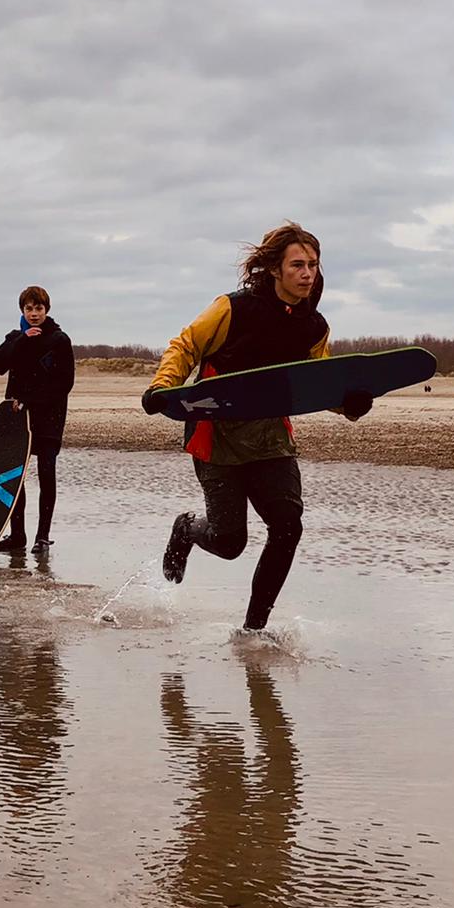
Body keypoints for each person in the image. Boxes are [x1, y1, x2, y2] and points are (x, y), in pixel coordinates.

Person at [144, 222, 372, 634]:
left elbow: (315, 384)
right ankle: (186, 529)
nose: (307, 274)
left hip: (270, 436)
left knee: (288, 526)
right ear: (274, 269)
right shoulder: (233, 309)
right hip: (217, 434)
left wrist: (348, 405)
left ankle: (253, 631)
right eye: (298, 265)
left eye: (313, 266)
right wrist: (163, 386)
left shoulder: (313, 327)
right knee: (230, 543)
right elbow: (185, 345)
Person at [0, 285, 74, 554]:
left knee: (46, 476)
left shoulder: (59, 340)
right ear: (22, 310)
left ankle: (43, 537)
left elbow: (64, 383)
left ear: (47, 310)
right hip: (17, 419)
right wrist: (22, 340)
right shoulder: (16, 338)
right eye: (29, 309)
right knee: (16, 477)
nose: (34, 314)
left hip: (49, 418)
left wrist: (32, 402)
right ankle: (18, 536)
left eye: (38, 308)